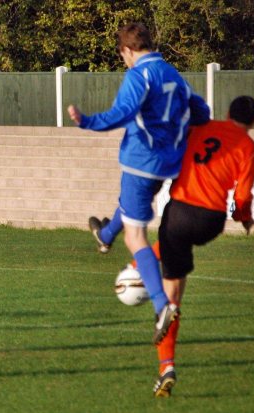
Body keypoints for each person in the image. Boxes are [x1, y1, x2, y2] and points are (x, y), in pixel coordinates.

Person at [67, 22, 210, 345]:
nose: (125, 62)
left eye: (123, 56)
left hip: (141, 162)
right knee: (131, 208)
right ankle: (104, 235)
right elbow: (200, 110)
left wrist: (87, 121)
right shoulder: (172, 73)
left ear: (128, 51)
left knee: (136, 236)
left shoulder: (138, 75)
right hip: (167, 166)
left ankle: (161, 306)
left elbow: (123, 112)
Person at [147, 96, 254, 397]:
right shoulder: (249, 148)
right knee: (176, 256)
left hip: (181, 210)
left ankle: (166, 359)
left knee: (171, 290)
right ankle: (166, 368)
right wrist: (244, 218)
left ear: (226, 112)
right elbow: (244, 196)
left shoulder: (203, 127)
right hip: (211, 220)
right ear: (253, 122)